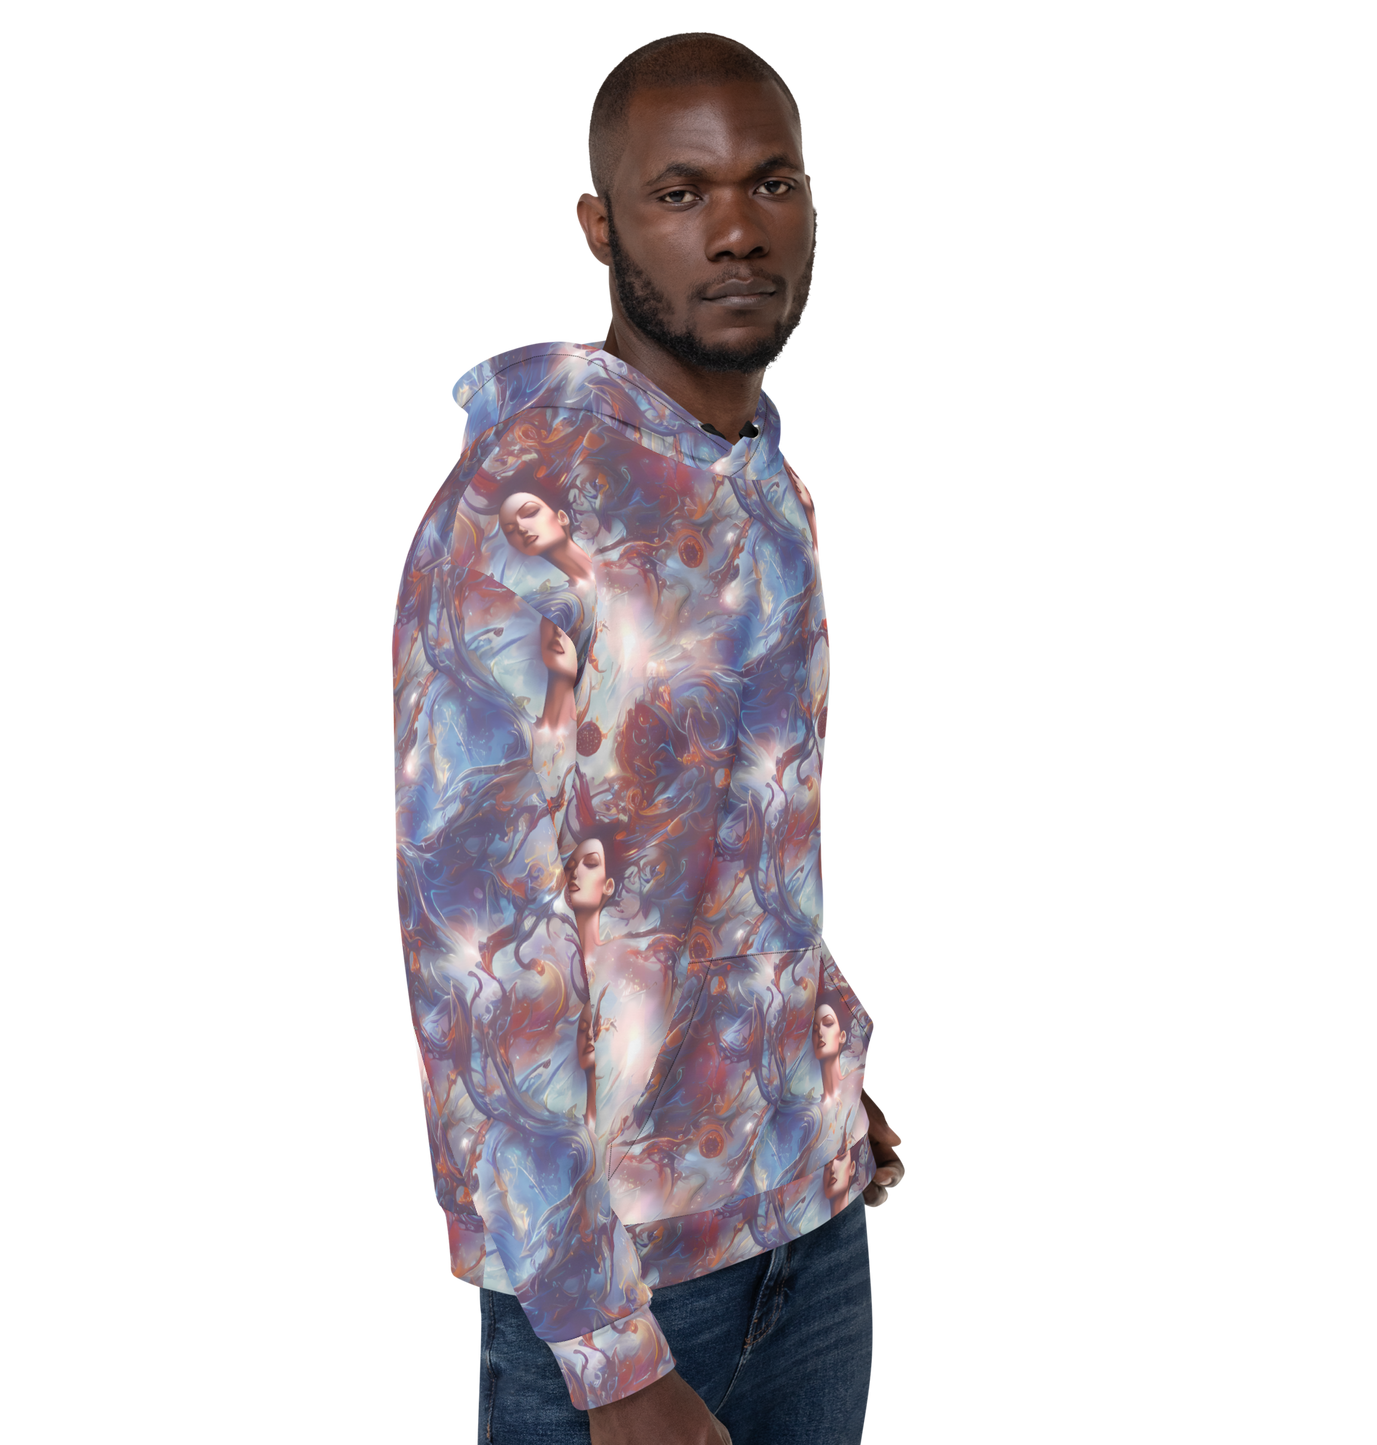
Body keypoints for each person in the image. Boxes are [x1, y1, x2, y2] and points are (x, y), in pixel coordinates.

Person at [390, 30, 906, 1444]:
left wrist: (815, 1053)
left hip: (811, 1224)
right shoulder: (516, 519)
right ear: (598, 226)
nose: (736, 231)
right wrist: (610, 1359)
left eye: (771, 183)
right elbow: (478, 962)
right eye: (680, 194)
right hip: (619, 1292)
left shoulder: (772, 486)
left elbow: (740, 844)